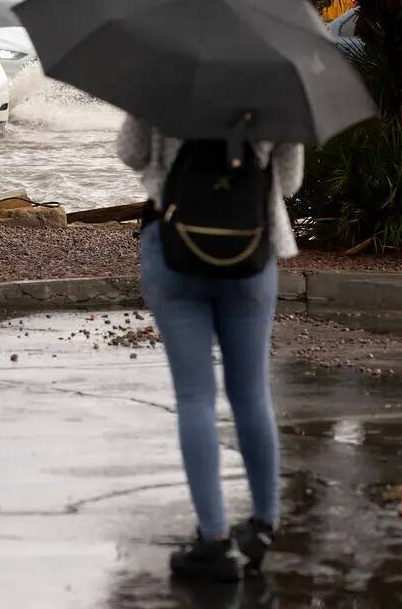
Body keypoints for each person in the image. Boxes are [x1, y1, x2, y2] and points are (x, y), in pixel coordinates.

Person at [117, 117, 303, 581]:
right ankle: (263, 525)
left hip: (175, 242)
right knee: (251, 393)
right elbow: (291, 181)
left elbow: (131, 151)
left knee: (196, 397)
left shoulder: (167, 68)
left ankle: (214, 540)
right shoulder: (275, 79)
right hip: (252, 246)